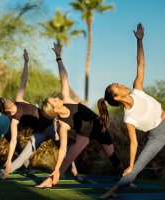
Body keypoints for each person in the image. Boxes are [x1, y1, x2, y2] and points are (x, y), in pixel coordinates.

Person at [98, 23, 165, 198]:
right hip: (156, 136)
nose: (122, 85)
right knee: (136, 167)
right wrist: (131, 164)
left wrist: (139, 41)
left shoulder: (136, 89)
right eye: (118, 86)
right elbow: (134, 143)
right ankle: (112, 192)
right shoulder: (128, 118)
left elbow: (141, 64)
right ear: (116, 97)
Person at [36, 43, 124, 188]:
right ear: (54, 109)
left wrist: (58, 58)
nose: (57, 98)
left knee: (112, 156)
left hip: (99, 127)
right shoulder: (62, 126)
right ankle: (51, 180)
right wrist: (56, 169)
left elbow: (64, 77)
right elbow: (63, 149)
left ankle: (127, 180)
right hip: (84, 136)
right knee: (67, 159)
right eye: (54, 100)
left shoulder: (66, 99)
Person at [0, 49, 80, 180]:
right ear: (5, 111)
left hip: (51, 127)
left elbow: (24, 80)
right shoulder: (14, 121)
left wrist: (26, 62)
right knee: (22, 157)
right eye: (4, 103)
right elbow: (13, 142)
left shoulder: (19, 99)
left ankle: (75, 172)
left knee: (64, 149)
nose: (7, 101)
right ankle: (4, 173)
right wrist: (9, 159)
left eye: (6, 99)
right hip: (39, 133)